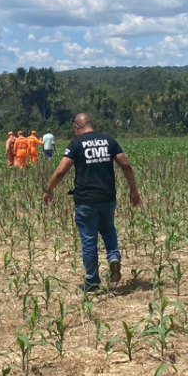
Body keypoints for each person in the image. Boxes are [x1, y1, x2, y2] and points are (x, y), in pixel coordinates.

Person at [42, 113, 141, 291]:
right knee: (109, 229)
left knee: (89, 239)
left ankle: (92, 282)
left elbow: (61, 171)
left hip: (86, 200)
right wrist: (133, 190)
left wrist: (49, 190)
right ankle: (113, 257)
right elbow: (125, 165)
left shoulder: (77, 144)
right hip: (107, 198)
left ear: (76, 126)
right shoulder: (108, 140)